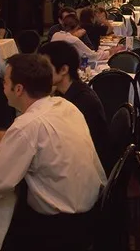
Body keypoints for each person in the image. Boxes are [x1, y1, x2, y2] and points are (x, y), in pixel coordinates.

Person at [0, 54, 106, 249]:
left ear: (19, 89)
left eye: (5, 83)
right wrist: (7, 140)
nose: (3, 89)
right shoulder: (65, 106)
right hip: (93, 212)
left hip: (58, 230)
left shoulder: (27, 126)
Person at [39, 41, 109, 172]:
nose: (40, 72)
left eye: (45, 67)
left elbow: (61, 145)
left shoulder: (81, 101)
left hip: (87, 170)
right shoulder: (67, 92)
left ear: (64, 69)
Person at [51, 15, 120, 62]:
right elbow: (93, 56)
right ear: (76, 27)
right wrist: (110, 51)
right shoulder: (74, 40)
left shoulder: (55, 35)